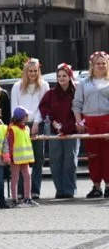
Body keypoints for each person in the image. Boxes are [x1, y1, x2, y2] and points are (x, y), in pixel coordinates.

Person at [10, 58, 49, 199]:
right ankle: (21, 191)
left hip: (38, 123)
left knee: (38, 158)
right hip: (21, 124)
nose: (32, 74)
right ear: (25, 72)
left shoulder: (44, 85)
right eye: (30, 71)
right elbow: (15, 107)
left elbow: (44, 106)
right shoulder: (17, 86)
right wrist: (21, 123)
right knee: (21, 158)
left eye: (35, 71)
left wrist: (37, 123)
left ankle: (35, 190)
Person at [39, 63, 78, 199]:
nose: (61, 78)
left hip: (71, 132)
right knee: (55, 161)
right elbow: (44, 108)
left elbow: (77, 111)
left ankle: (69, 190)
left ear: (69, 77)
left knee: (70, 161)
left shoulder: (76, 92)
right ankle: (59, 190)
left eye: (64, 76)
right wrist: (54, 123)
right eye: (59, 76)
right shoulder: (51, 94)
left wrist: (66, 127)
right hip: (55, 132)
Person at [73, 51, 109, 198]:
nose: (101, 66)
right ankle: (96, 186)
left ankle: (108, 185)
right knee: (93, 156)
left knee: (107, 155)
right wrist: (79, 122)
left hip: (107, 121)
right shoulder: (83, 84)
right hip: (90, 122)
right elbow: (76, 105)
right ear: (92, 66)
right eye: (98, 63)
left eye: (104, 63)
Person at [5, 106, 37, 208]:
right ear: (23, 117)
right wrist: (9, 156)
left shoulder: (27, 128)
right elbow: (10, 143)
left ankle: (28, 198)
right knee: (15, 178)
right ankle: (14, 199)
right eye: (27, 115)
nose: (28, 117)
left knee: (27, 176)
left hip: (25, 158)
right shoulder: (12, 129)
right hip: (16, 158)